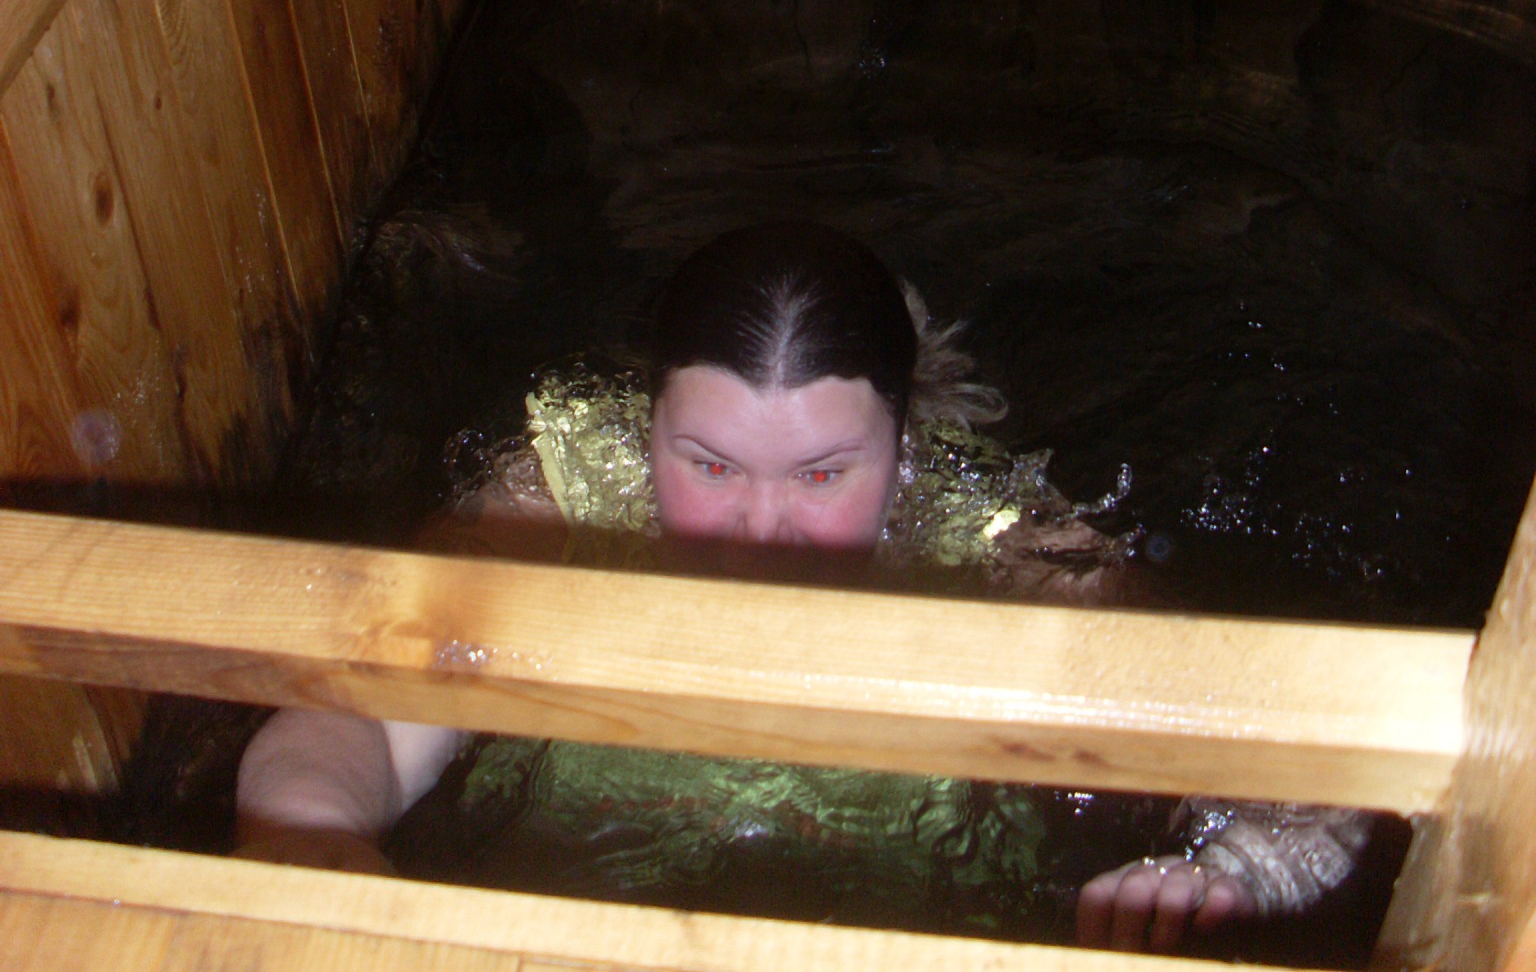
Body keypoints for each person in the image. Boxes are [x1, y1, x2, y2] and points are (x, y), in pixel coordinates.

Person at [236, 221, 1369, 949]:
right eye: (710, 464)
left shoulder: (990, 539)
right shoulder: (565, 493)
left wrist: (1230, 870)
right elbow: (367, 705)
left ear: (902, 444)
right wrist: (311, 830)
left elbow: (1301, 752)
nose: (761, 530)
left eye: (823, 473)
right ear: (648, 426)